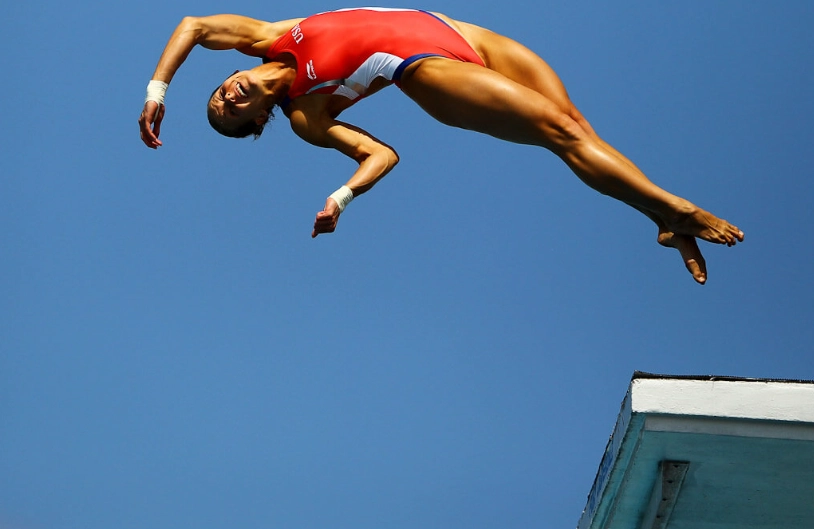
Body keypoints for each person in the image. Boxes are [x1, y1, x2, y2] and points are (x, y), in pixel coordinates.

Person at [138, 8, 743, 284]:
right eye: (231, 111)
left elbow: (191, 24)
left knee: (576, 124)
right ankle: (675, 209)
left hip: (458, 31)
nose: (229, 94)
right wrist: (342, 198)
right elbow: (382, 155)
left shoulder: (269, 37)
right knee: (561, 136)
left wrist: (159, 87)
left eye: (218, 92)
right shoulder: (306, 112)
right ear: (258, 119)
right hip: (424, 69)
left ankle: (660, 221)